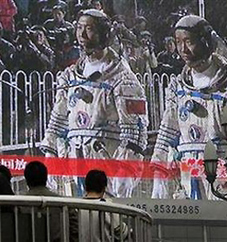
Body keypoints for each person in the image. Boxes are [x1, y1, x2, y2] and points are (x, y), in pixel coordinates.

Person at [151, 15, 227, 200]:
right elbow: (167, 132)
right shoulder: (178, 88)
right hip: (188, 181)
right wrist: (159, 174)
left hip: (225, 186)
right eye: (178, 42)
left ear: (206, 42)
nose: (183, 49)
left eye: (189, 41)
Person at [39, 9, 149, 198]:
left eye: (89, 29)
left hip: (107, 162)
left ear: (104, 34)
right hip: (76, 160)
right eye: (79, 28)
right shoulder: (71, 76)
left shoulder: (122, 78)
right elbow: (58, 119)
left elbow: (135, 130)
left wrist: (126, 169)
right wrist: (50, 152)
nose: (82, 35)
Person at [23, 161, 78, 241]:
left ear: (26, 180)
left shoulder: (19, 205)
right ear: (46, 177)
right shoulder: (63, 203)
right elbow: (75, 229)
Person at [80, 170, 129, 241]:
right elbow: (122, 233)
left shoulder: (76, 208)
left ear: (86, 187)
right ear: (104, 188)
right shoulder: (108, 207)